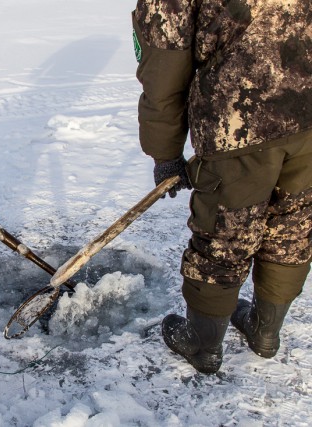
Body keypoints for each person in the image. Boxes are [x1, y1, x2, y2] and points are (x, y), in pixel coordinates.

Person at [133, 1, 312, 374]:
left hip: (243, 120)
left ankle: (202, 345)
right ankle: (265, 333)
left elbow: (164, 68)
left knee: (224, 234)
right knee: (293, 226)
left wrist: (165, 154)